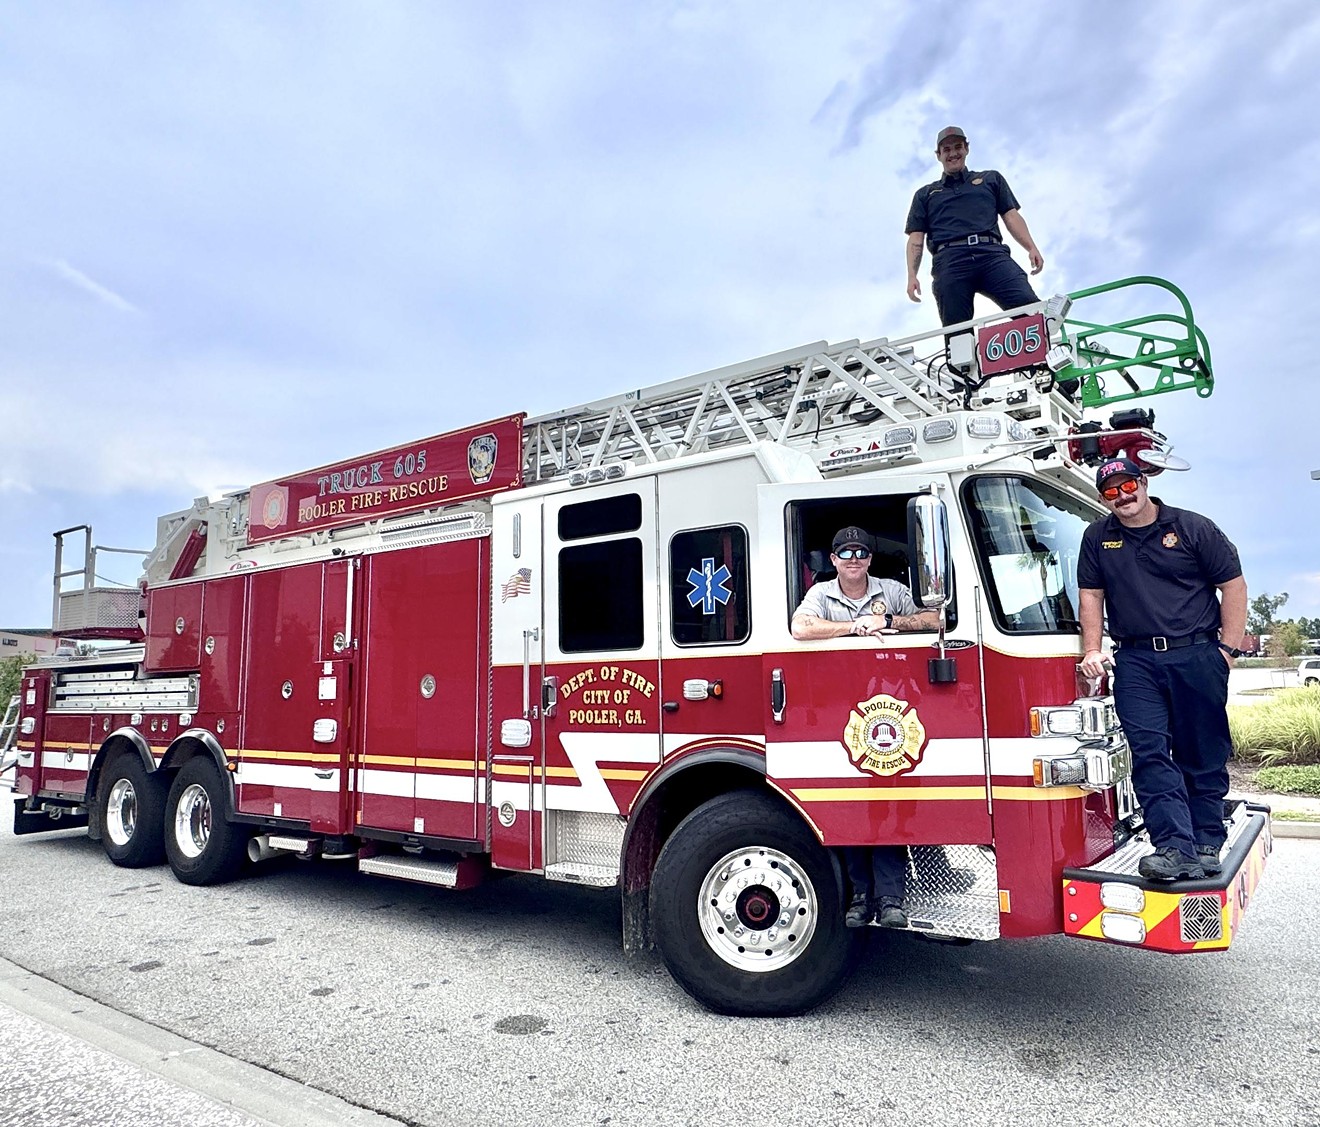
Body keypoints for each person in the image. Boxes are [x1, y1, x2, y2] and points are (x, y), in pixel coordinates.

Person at [1077, 458, 1248, 882]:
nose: (1122, 497)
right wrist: (1092, 650)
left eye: (1127, 486)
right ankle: (1173, 847)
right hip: (1135, 661)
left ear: (1143, 482)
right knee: (1150, 752)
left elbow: (1234, 586)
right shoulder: (1097, 537)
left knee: (1201, 749)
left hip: (1197, 654)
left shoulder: (1193, 527)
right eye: (1111, 492)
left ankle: (1207, 840)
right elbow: (1091, 597)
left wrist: (1226, 649)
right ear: (1104, 498)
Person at [791, 525, 940, 927]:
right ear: (834, 560)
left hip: (891, 712)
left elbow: (933, 620)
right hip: (842, 712)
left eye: (860, 552)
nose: (854, 559)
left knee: (891, 798)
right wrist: (853, 628)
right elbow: (800, 628)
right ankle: (859, 896)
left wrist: (890, 620)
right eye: (845, 553)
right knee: (852, 802)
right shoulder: (821, 593)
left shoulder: (890, 590)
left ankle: (891, 898)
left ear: (869, 560)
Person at [904, 125, 1046, 328]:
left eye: (958, 147)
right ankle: (962, 360)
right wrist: (912, 275)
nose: (953, 153)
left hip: (991, 254)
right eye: (946, 150)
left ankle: (1042, 356)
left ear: (966, 149)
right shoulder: (925, 194)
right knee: (957, 329)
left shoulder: (991, 179)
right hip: (950, 260)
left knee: (1030, 309)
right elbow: (916, 240)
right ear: (938, 155)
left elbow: (1011, 216)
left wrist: (1031, 247)